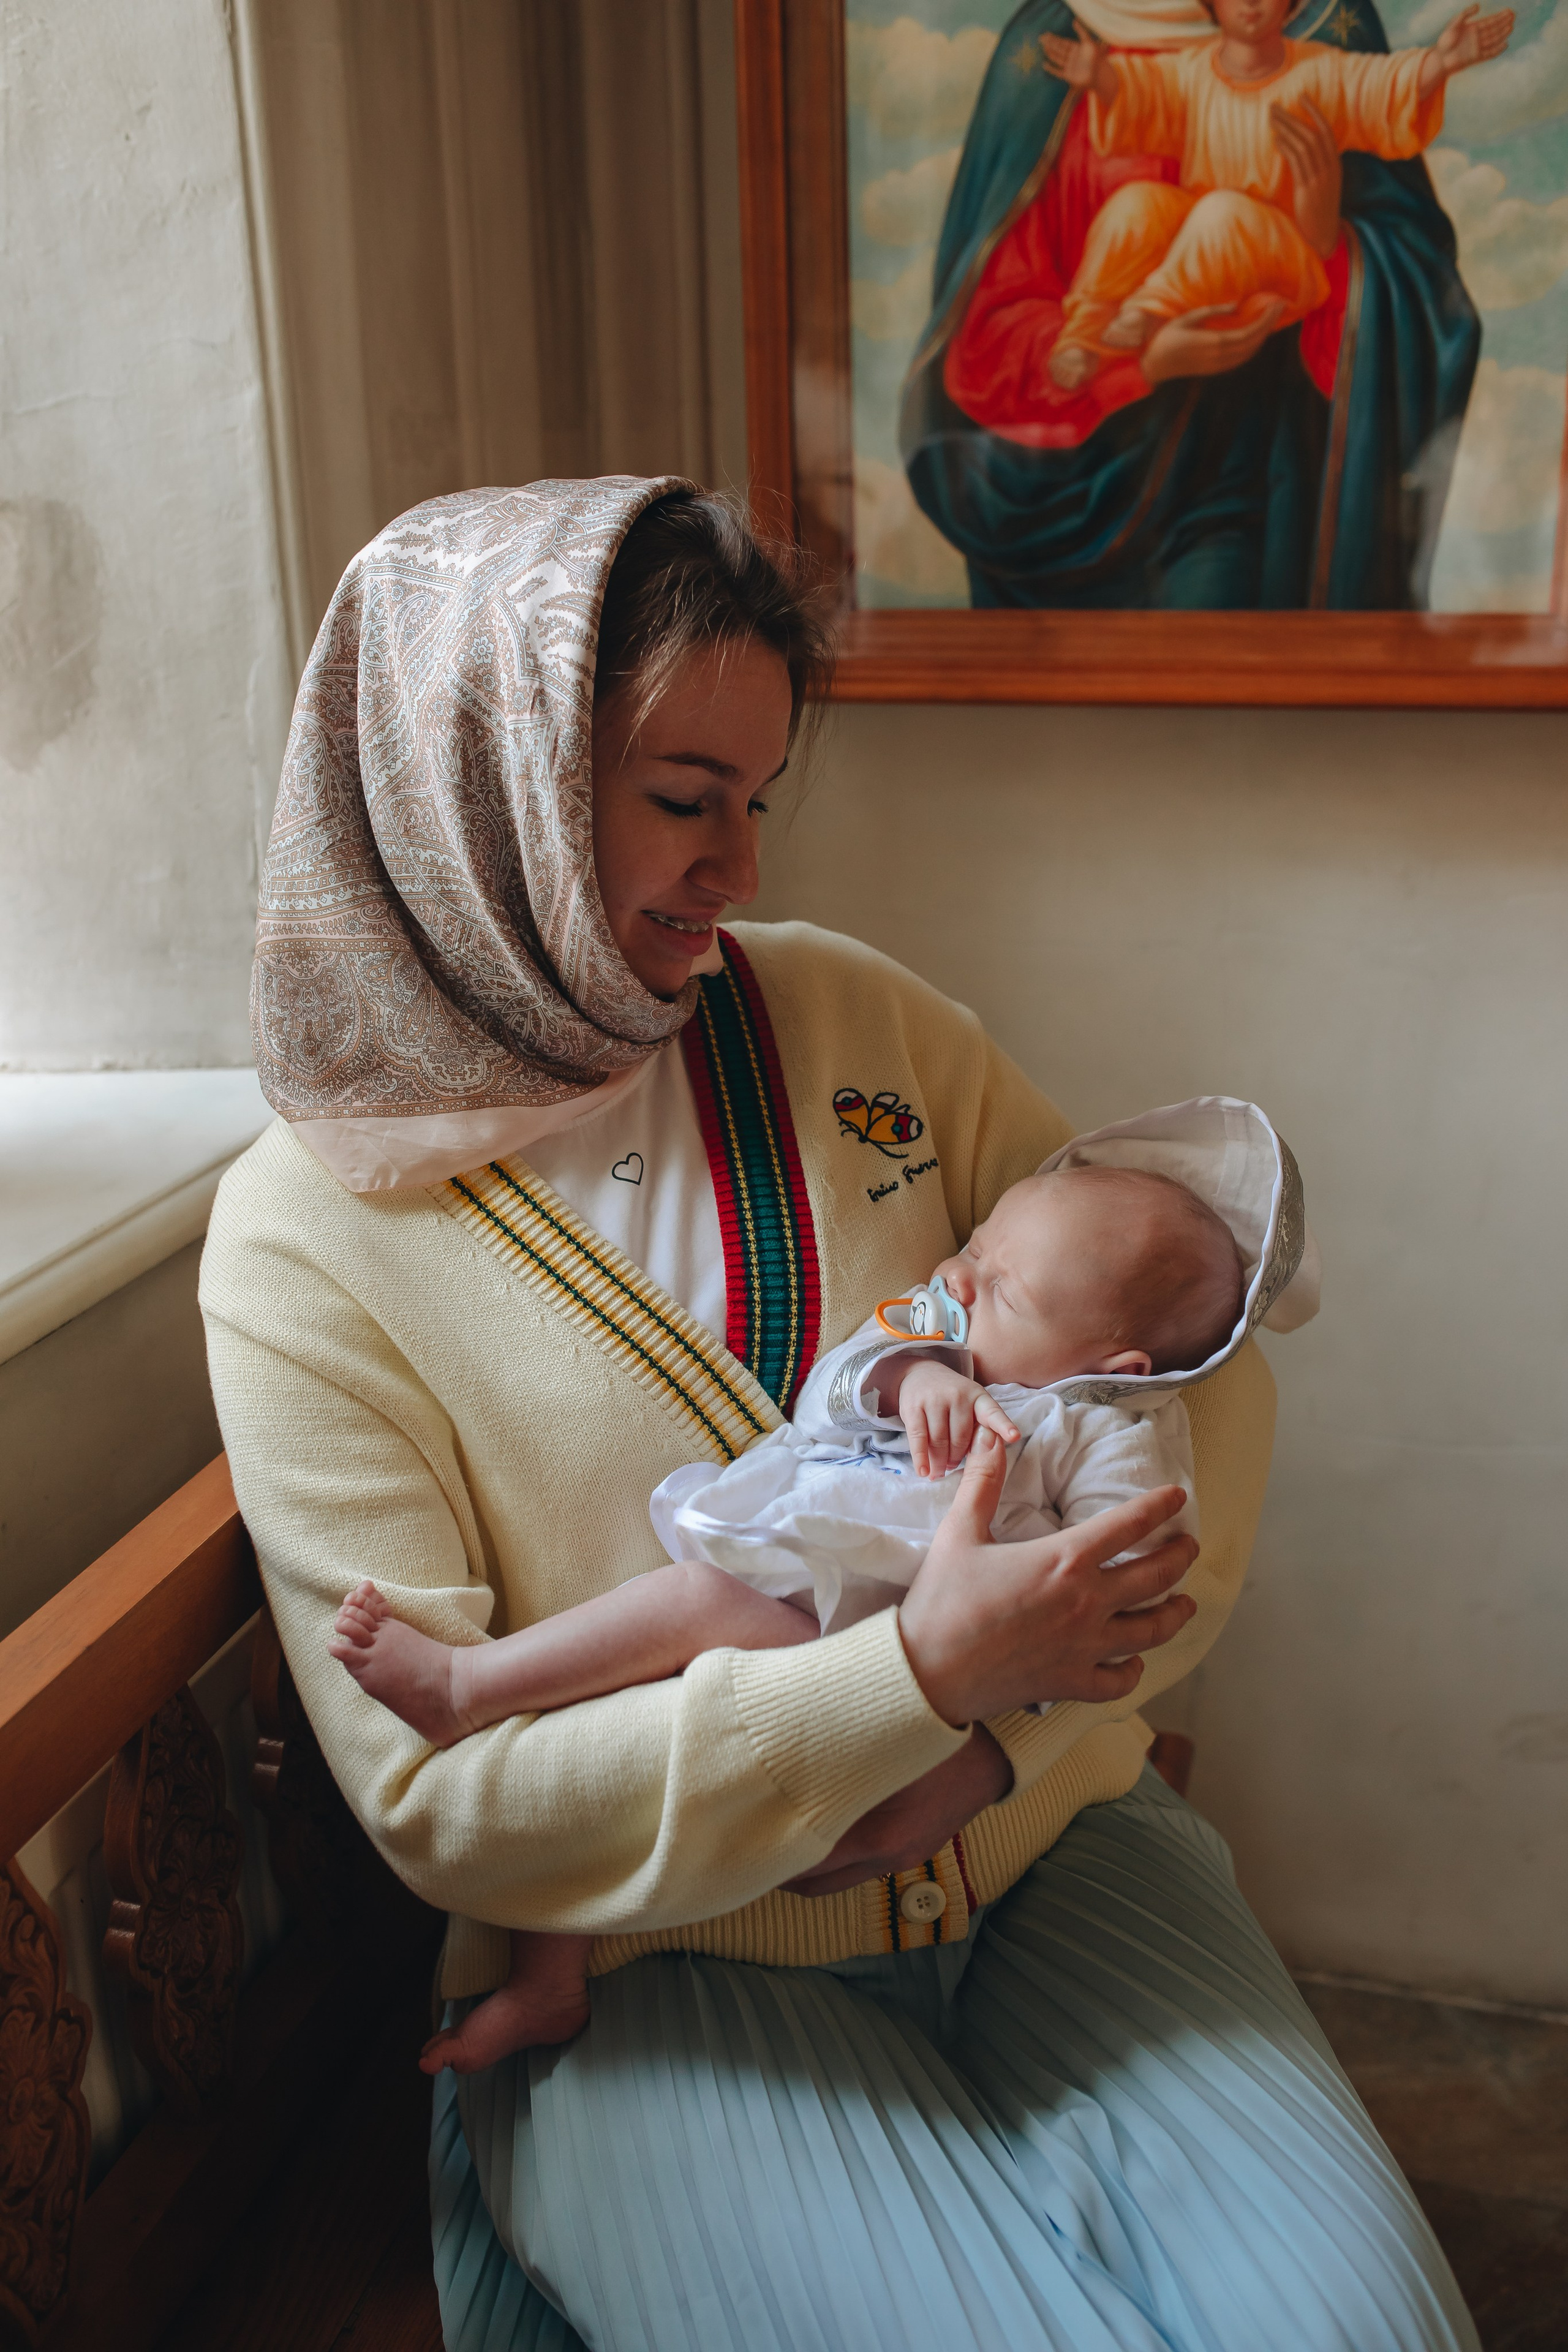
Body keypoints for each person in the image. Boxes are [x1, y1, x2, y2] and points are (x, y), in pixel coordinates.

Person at [203, 477, 1479, 2350]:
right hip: (654, 1961)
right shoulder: (307, 1243)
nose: (732, 867)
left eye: (755, 799)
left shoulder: (855, 1025)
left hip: (1053, 1852)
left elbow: (1196, 1369)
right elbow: (440, 1794)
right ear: (473, 777)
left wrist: (992, 1754)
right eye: (676, 795)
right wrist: (908, 1688)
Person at [328, 1109, 1315, 2081]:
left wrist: (997, 1699)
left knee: (693, 1604)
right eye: (973, 1246)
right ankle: (550, 1977)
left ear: (1119, 1369)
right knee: (618, 1719)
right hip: (825, 1606)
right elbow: (834, 1387)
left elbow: (1119, 1583)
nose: (955, 1276)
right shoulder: (937, 1345)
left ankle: (467, 1686)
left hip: (868, 1648)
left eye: (1001, 1287)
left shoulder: (1106, 1436)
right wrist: (914, 1374)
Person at [901, 0, 1483, 608]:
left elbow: (1417, 300)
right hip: (1064, 492)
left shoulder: (1324, 31)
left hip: (1239, 485)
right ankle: (1105, 322)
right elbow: (987, 333)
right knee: (1138, 213)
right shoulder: (1056, 40)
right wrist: (1140, 366)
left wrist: (1322, 235)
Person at [1042, 0, 1512, 389]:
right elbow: (1141, 95)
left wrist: (1441, 62)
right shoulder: (1191, 71)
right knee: (1135, 206)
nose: (1250, 3)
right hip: (1206, 244)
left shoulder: (1320, 73)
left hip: (1286, 262)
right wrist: (1100, 78)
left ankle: (1151, 310)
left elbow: (1382, 88)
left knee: (1221, 212)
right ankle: (1083, 337)